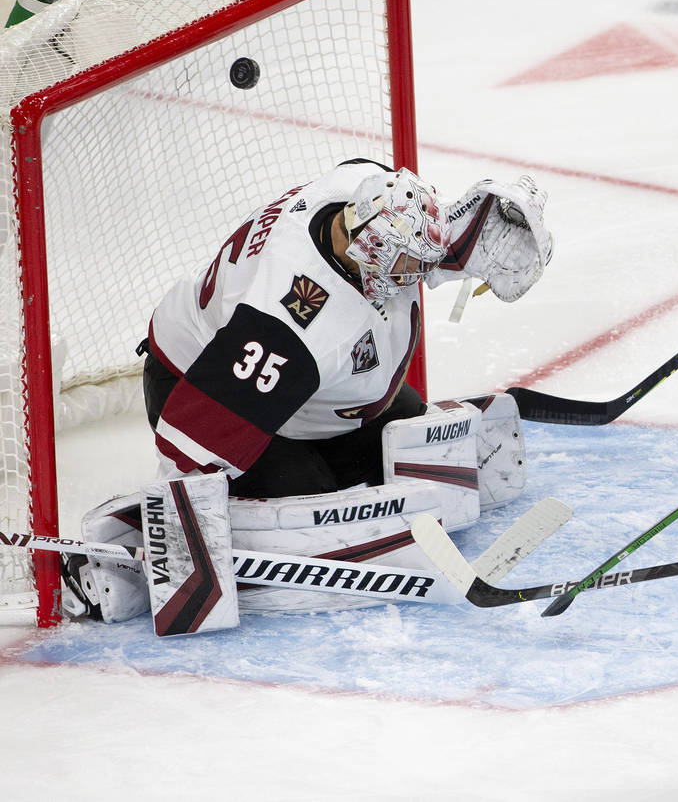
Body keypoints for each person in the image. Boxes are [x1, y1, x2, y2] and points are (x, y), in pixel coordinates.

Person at [60, 158, 553, 621]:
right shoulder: (292, 327)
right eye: (410, 266)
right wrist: (169, 539)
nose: (419, 277)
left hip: (300, 390)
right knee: (312, 502)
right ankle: (122, 550)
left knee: (406, 428)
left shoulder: (359, 190)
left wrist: (478, 226)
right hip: (200, 385)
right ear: (371, 255)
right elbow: (192, 439)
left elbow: (414, 227)